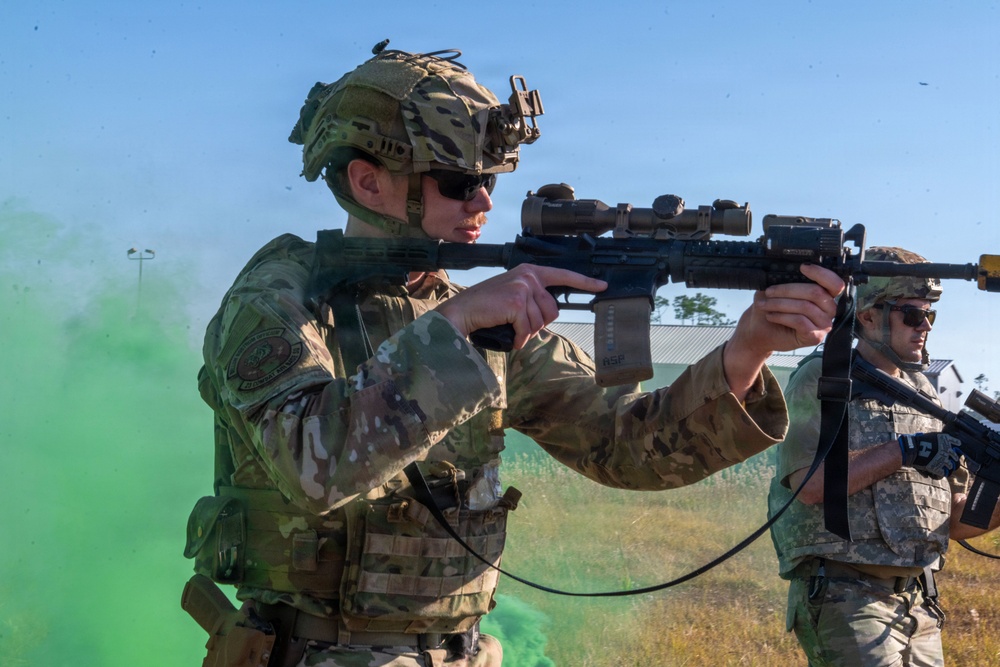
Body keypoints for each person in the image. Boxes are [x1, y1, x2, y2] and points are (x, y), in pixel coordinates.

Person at [183, 44, 844, 667]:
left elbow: (624, 446)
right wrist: (457, 327)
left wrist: (749, 348)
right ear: (368, 182)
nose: (483, 202)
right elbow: (311, 464)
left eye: (489, 180)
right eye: (458, 180)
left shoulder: (482, 314)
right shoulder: (281, 295)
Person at [767, 246, 1000, 667]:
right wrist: (903, 450)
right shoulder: (825, 378)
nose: (924, 326)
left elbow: (960, 519)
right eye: (912, 315)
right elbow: (811, 484)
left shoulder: (928, 397)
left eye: (930, 315)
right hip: (847, 596)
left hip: (918, 605)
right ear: (869, 315)